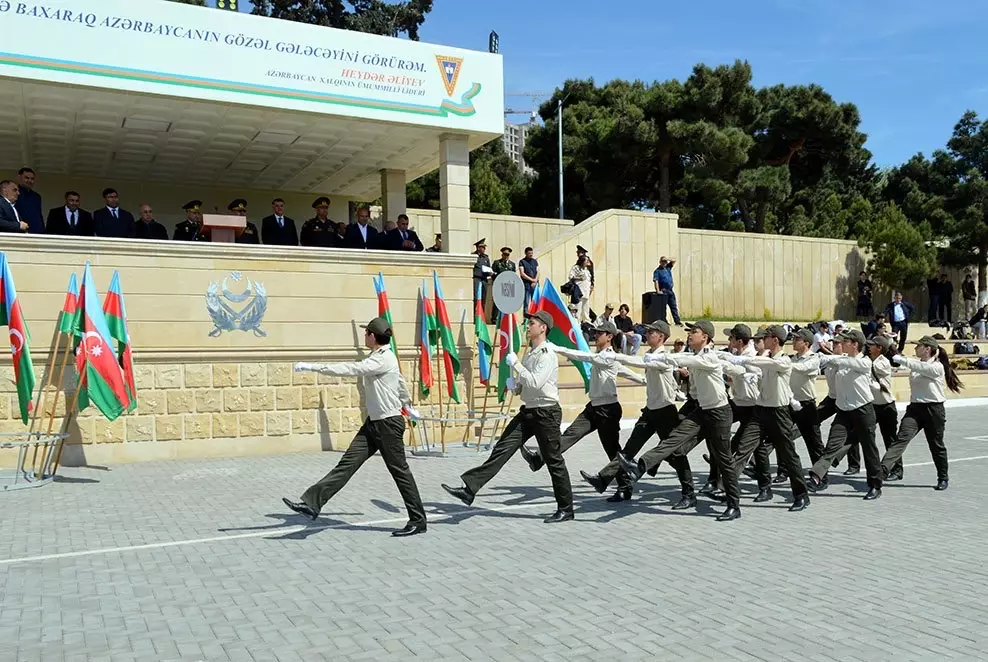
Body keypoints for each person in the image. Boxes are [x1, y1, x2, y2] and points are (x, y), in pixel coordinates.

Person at [283, 317, 427, 537]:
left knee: (400, 472)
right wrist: (408, 405)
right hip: (374, 423)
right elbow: (400, 383)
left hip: (388, 424)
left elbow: (351, 368)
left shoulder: (383, 359)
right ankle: (312, 503)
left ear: (372, 336)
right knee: (347, 464)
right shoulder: (381, 357)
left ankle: (418, 521)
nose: (364, 336)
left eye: (366, 332)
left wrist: (313, 366)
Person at [442, 311, 574, 523]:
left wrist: (516, 366)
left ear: (543, 328)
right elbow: (527, 386)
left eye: (532, 323)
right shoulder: (531, 353)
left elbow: (535, 382)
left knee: (554, 461)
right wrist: (516, 387)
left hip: (546, 413)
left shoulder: (547, 354)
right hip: (529, 411)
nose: (528, 326)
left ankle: (566, 508)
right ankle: (470, 489)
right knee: (502, 449)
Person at [611, 320, 741, 522]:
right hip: (701, 411)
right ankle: (640, 467)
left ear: (705, 337)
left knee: (724, 459)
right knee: (673, 440)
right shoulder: (694, 356)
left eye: (694, 332)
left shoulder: (708, 358)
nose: (689, 335)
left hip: (719, 413)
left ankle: (734, 505)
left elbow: (677, 359)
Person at [518, 321, 646, 498]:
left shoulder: (607, 356)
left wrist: (559, 349)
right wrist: (643, 380)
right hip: (593, 407)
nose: (595, 335)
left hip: (608, 410)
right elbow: (623, 371)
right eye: (595, 332)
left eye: (599, 333)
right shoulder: (604, 356)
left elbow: (585, 357)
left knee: (612, 450)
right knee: (571, 434)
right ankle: (538, 458)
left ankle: (624, 487)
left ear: (609, 337)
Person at [581, 321, 697, 506]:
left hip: (666, 412)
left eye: (652, 331)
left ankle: (689, 493)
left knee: (676, 455)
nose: (648, 333)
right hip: (650, 411)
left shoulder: (663, 358)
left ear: (661, 337)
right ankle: (613, 484)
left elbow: (640, 363)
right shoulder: (649, 355)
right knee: (629, 450)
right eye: (648, 331)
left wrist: (616, 358)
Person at [723, 326, 810, 511]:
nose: (760, 341)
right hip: (760, 412)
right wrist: (724, 360)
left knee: (788, 455)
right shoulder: (765, 360)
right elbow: (746, 368)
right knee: (742, 450)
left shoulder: (784, 361)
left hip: (779, 413)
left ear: (775, 340)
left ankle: (801, 495)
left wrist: (739, 358)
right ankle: (728, 494)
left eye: (765, 338)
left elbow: (759, 363)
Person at [806, 330, 883, 500]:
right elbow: (838, 363)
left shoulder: (864, 362)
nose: (841, 344)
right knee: (832, 445)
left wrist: (826, 357)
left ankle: (875, 485)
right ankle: (817, 476)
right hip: (843, 411)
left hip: (863, 410)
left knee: (869, 448)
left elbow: (845, 361)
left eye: (846, 341)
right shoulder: (842, 362)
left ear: (855, 344)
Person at [882, 336, 963, 491]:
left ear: (927, 349)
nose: (915, 348)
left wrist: (900, 358)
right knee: (901, 439)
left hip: (934, 410)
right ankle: (883, 469)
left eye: (918, 346)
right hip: (915, 409)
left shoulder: (937, 367)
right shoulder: (917, 364)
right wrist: (892, 348)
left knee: (936, 445)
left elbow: (918, 366)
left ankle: (943, 477)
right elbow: (914, 365)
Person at [789, 328, 825, 469]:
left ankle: (820, 474)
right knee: (781, 436)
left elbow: (803, 368)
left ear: (806, 343)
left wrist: (785, 364)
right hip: (791, 403)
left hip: (806, 405)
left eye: (797, 339)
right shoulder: (793, 358)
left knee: (813, 441)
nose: (794, 341)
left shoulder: (813, 358)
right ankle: (783, 470)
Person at [652, 256, 682, 326]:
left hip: (670, 290)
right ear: (660, 262)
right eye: (663, 261)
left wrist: (667, 259)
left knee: (673, 307)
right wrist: (658, 290)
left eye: (665, 262)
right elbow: (656, 281)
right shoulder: (657, 271)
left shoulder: (668, 268)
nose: (664, 263)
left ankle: (677, 321)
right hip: (664, 290)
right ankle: (664, 322)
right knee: (663, 308)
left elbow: (674, 260)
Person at [14, 167, 44, 234]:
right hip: (19, 232)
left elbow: (39, 216)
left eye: (32, 179)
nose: (30, 181)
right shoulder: (13, 193)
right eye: (26, 178)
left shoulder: (37, 196)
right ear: (19, 177)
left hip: (37, 233)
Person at [568, 254, 594, 323]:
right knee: (578, 309)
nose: (588, 262)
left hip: (586, 292)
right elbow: (570, 276)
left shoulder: (587, 270)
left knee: (586, 310)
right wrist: (579, 278)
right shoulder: (576, 268)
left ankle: (587, 323)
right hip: (579, 292)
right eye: (586, 260)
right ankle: (577, 322)